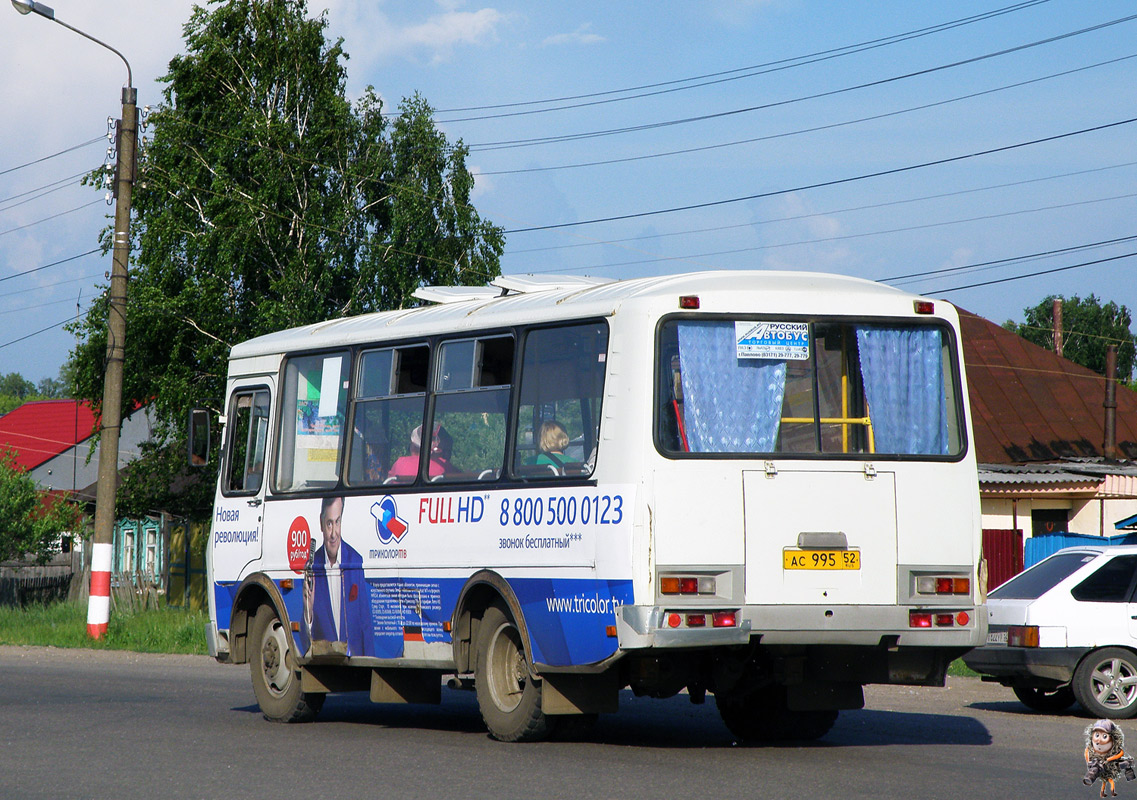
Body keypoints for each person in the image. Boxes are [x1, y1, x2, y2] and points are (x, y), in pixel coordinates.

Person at [302, 496, 373, 657]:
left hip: (356, 664)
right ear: (321, 524)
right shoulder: (312, 567)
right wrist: (309, 612)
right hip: (327, 663)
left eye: (337, 522)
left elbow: (365, 624)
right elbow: (304, 644)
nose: (333, 533)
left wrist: (370, 664)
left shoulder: (355, 560)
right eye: (329, 524)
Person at [1084, 718, 1136, 798]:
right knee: (1104, 781)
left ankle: (1112, 791)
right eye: (1097, 735)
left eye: (1104, 736)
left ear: (1114, 738)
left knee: (1110, 779)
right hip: (1100, 763)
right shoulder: (1090, 749)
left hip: (1111, 765)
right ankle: (1103, 792)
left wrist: (1109, 759)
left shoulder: (1114, 749)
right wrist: (1090, 762)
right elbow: (1087, 752)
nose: (1099, 741)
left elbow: (1120, 753)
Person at [389, 424, 458, 479]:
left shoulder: (399, 463)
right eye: (446, 451)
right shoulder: (446, 467)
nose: (447, 455)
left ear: (412, 447)